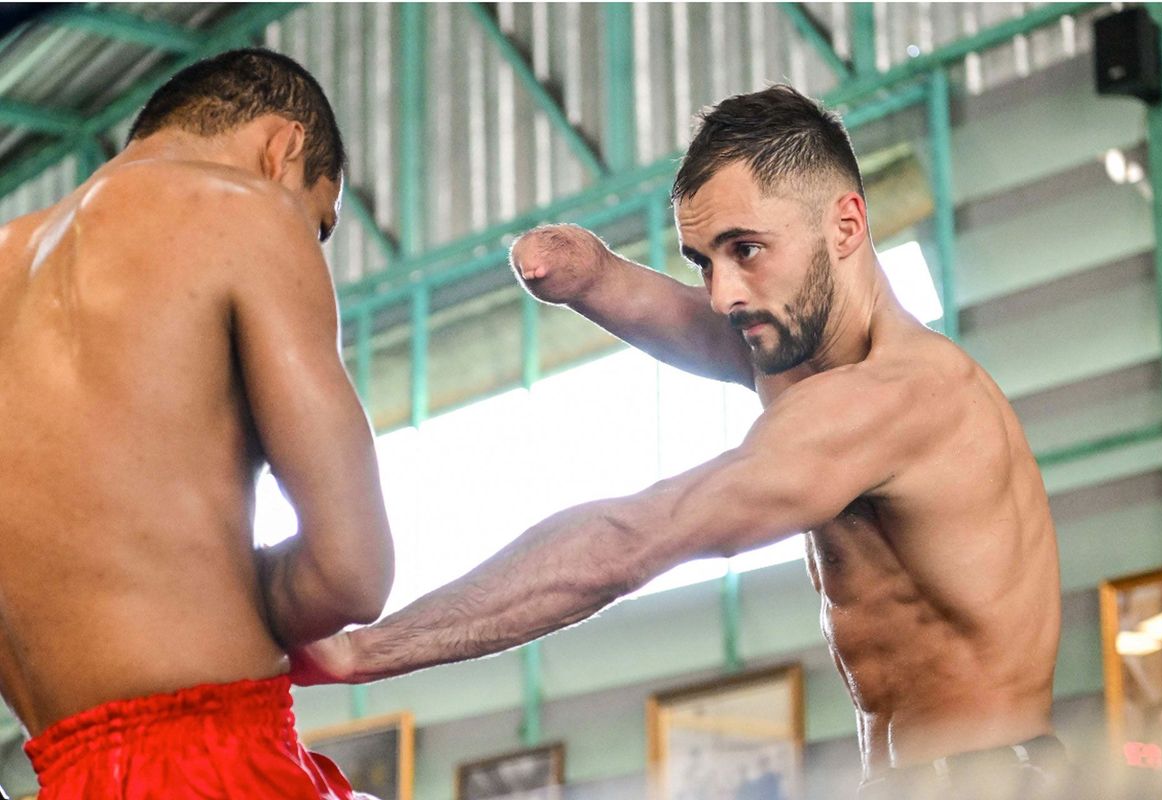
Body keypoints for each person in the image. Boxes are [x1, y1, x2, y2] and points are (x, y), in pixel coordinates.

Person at [292, 85, 1068, 798]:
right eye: (703, 261)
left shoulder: (901, 399)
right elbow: (676, 317)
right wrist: (588, 272)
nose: (724, 292)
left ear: (846, 226)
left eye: (746, 249)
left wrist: (369, 650)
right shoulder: (793, 350)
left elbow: (633, 539)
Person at [0, 49, 393, 799]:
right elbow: (351, 574)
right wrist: (237, 590)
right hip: (219, 760)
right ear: (284, 149)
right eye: (319, 224)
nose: (306, 239)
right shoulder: (243, 210)